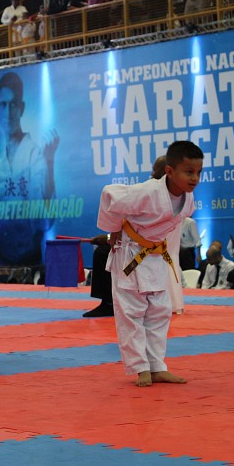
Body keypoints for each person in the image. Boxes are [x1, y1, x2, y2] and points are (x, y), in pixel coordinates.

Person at [97, 140, 203, 387]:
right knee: (131, 313)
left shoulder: (188, 199)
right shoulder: (146, 192)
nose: (195, 178)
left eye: (199, 172)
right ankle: (140, 368)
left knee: (160, 312)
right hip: (129, 255)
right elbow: (108, 194)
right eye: (189, 172)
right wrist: (113, 230)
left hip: (155, 257)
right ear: (170, 171)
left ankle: (157, 367)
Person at [0, 72, 59, 267]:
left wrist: (49, 163)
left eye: (13, 104)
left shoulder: (34, 154)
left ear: (22, 108)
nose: (8, 112)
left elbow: (45, 221)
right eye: (3, 105)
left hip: (30, 260)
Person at [151, 154, 184, 313]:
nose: (152, 173)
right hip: (167, 234)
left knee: (167, 256)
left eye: (155, 170)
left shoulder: (159, 191)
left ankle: (166, 302)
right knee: (169, 257)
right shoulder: (179, 190)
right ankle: (174, 302)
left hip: (165, 234)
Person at [83, 233, 113, 317]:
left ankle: (109, 303)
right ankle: (109, 301)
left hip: (142, 252)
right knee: (104, 249)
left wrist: (108, 238)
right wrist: (109, 238)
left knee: (102, 252)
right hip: (136, 245)